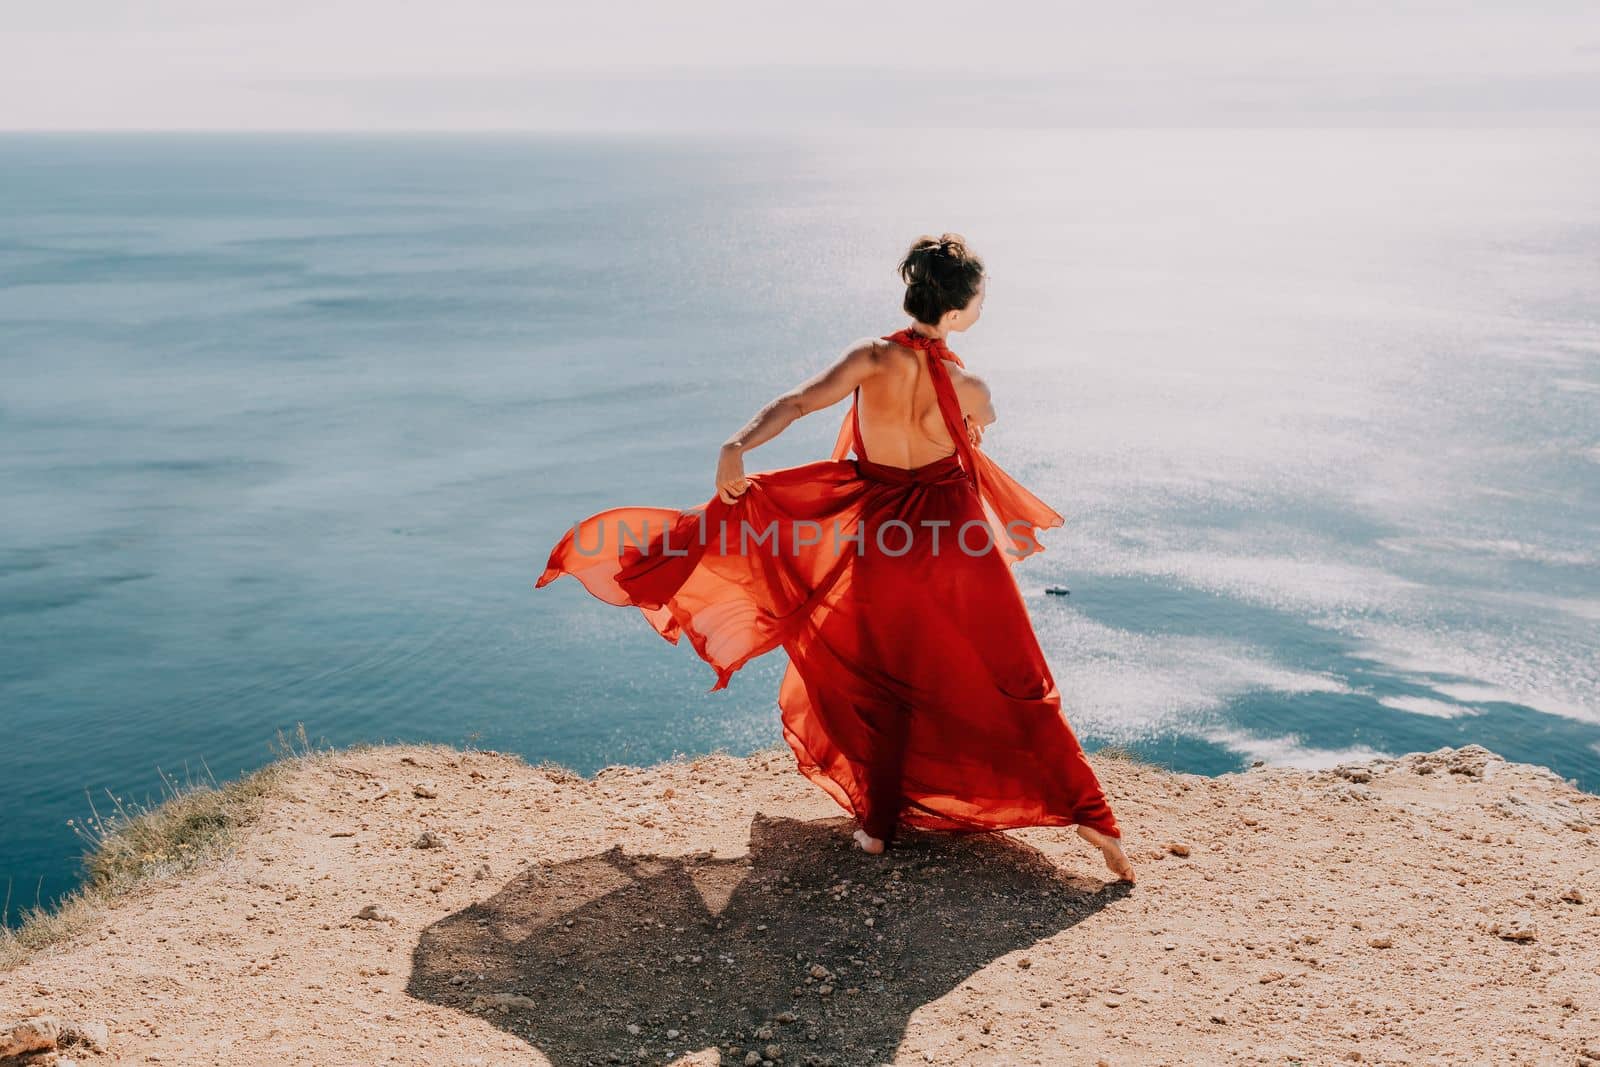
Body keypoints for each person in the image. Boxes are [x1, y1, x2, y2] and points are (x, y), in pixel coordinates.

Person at [538, 233, 1135, 883]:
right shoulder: (968, 384)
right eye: (980, 299)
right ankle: (1096, 820)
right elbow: (976, 430)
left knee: (886, 682)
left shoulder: (869, 360)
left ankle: (877, 829)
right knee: (1019, 676)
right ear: (959, 310)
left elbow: (795, 405)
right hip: (956, 542)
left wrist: (735, 445)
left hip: (885, 540)